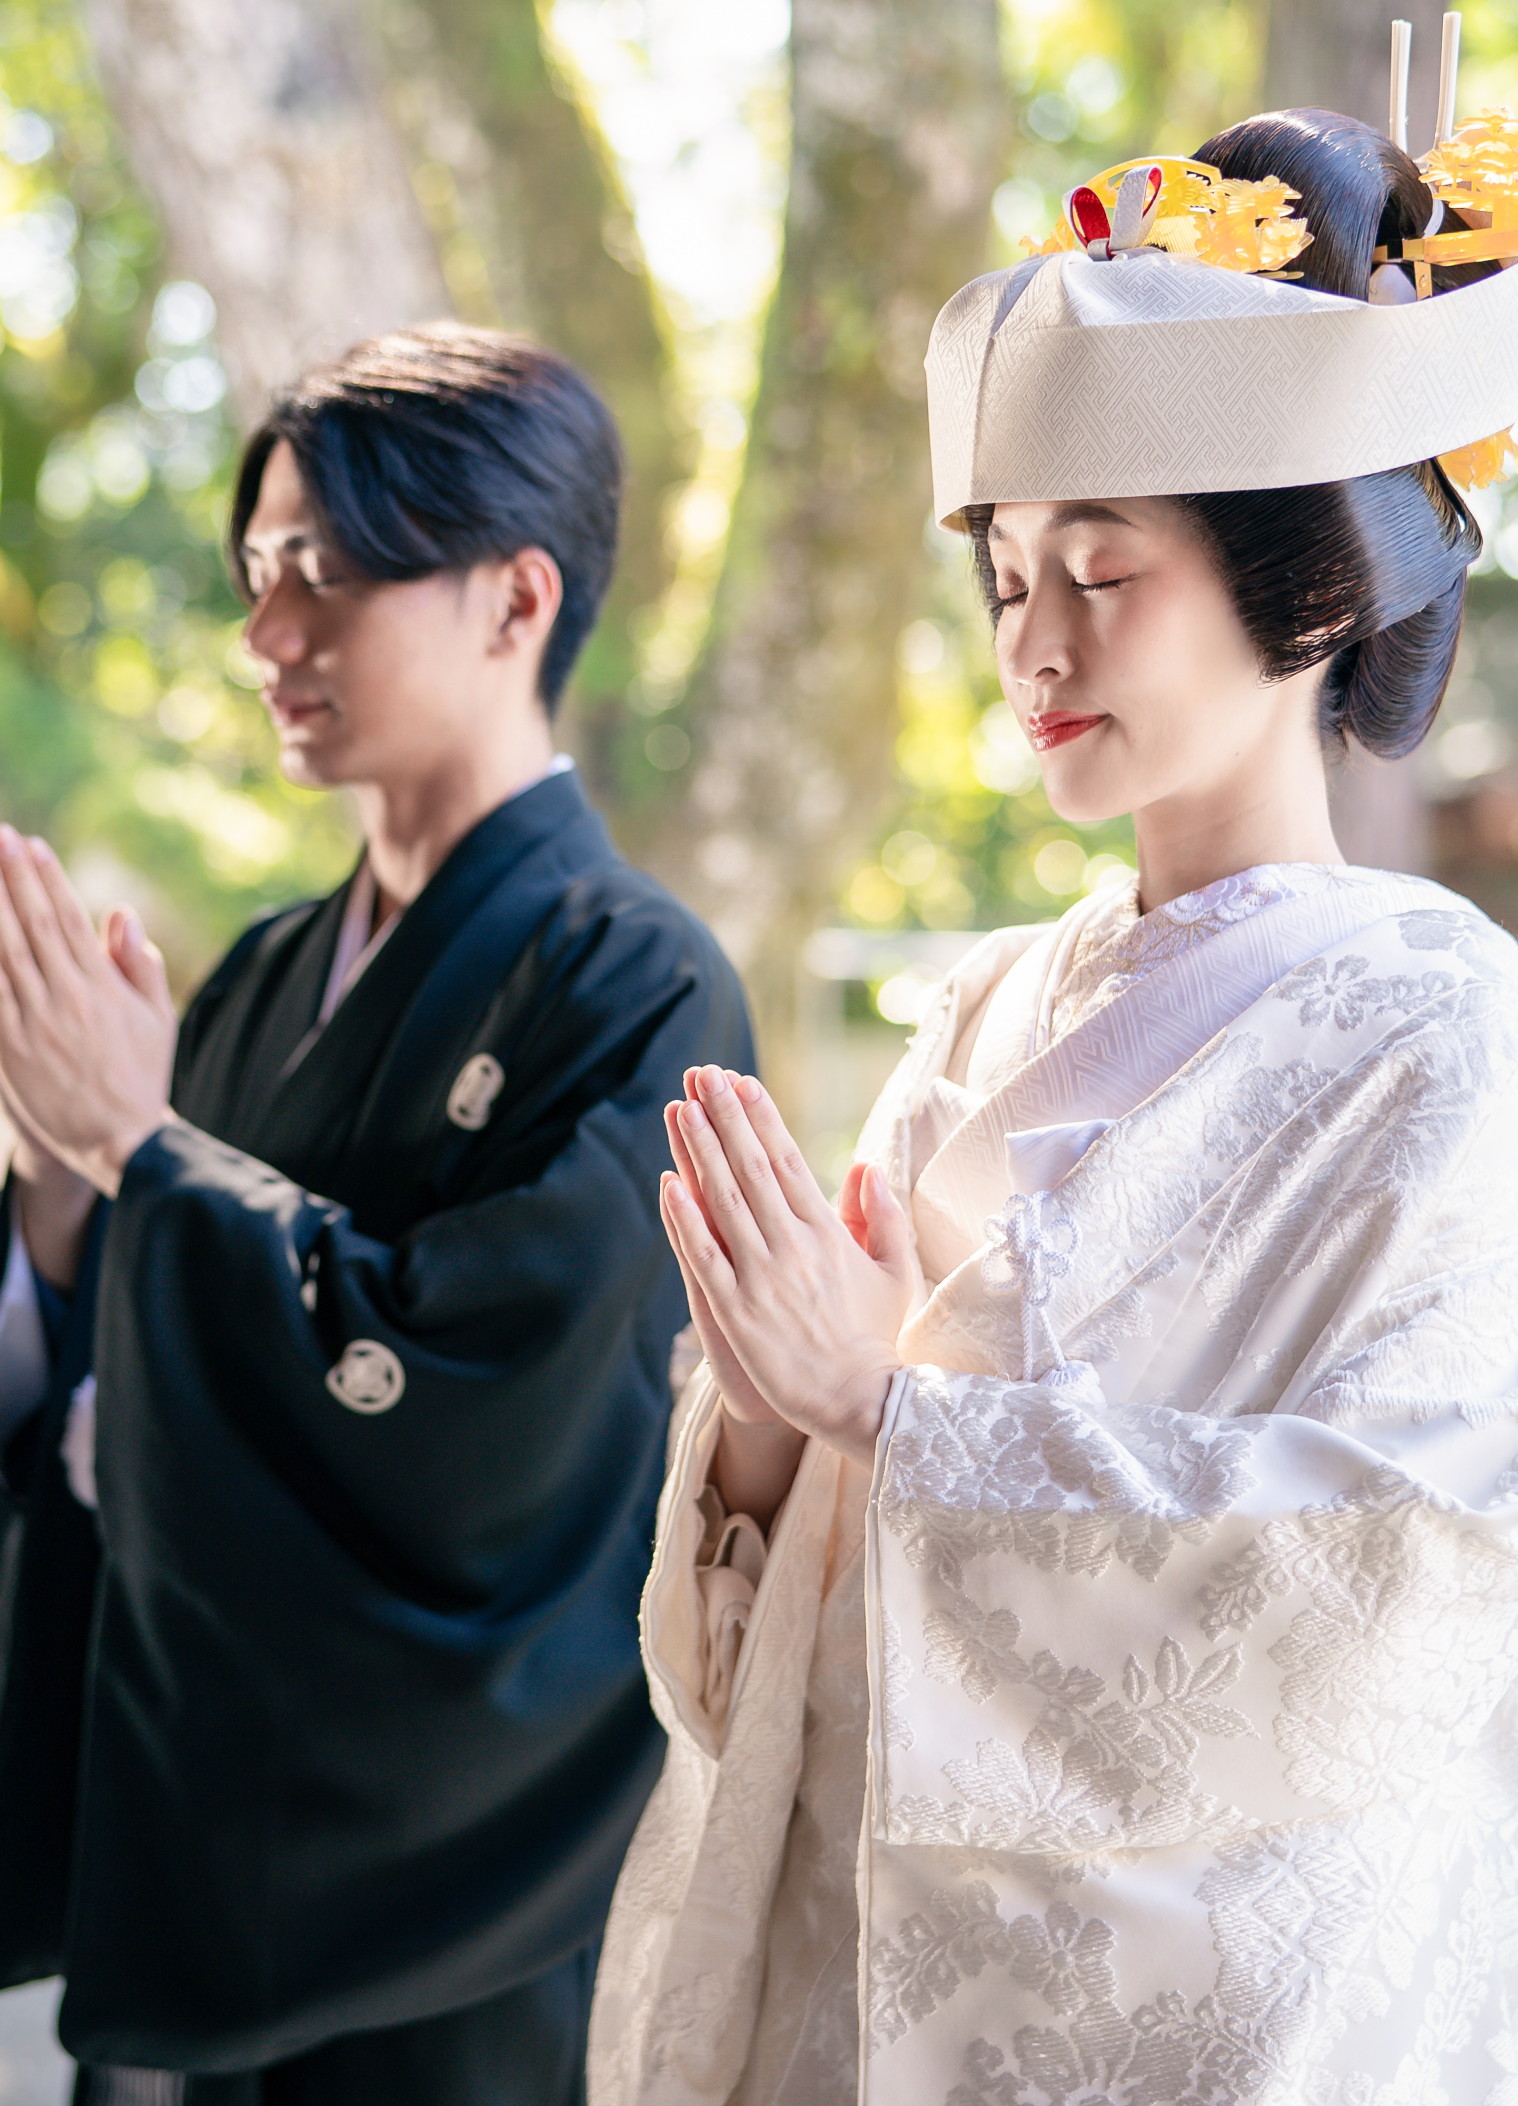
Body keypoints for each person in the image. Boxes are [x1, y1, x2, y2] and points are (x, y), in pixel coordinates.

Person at [588, 106, 1518, 2106]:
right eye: (1008, 575)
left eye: (1104, 568)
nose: (1033, 638)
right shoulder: (999, 995)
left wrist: (887, 1414)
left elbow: (1417, 1568)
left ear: (1317, 596)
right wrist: (762, 1421)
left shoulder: (1451, 1034)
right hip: (848, 1970)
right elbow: (807, 1523)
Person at [0, 324, 753, 2105]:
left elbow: (505, 1418)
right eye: (259, 575)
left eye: (326, 576)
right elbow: (115, 1367)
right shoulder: (260, 977)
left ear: (514, 597)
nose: (269, 634)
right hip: (204, 1848)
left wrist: (143, 1154)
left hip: (454, 1921)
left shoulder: (642, 988)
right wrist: (55, 1201)